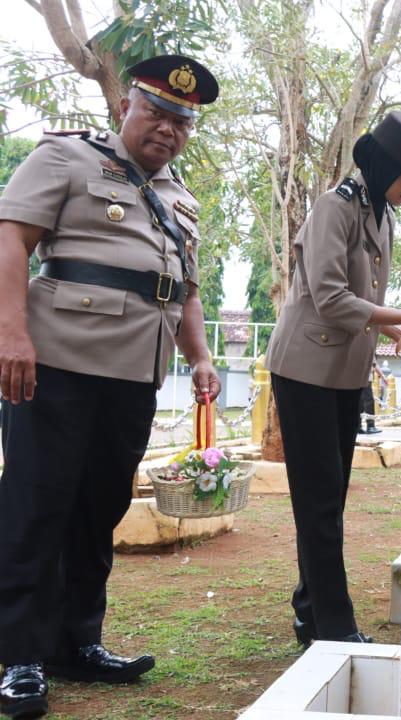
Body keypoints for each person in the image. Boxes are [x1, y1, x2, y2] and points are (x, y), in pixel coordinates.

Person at [0, 55, 222, 719]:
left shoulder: (180, 198)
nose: (168, 128)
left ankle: (78, 643)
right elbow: (12, 239)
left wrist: (202, 357)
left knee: (99, 510)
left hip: (134, 374)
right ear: (126, 105)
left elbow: (182, 290)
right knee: (37, 505)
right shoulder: (66, 159)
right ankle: (19, 656)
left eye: (182, 121)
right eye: (156, 110)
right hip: (55, 363)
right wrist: (11, 335)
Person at [266, 111, 401, 647]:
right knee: (319, 504)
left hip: (343, 374)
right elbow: (331, 297)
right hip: (304, 371)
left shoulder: (379, 212)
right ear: (386, 165)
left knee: (329, 498)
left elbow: (364, 304)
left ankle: (309, 610)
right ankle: (335, 629)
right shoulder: (334, 207)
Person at [359, 361, 387, 435]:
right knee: (369, 400)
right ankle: (370, 426)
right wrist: (382, 376)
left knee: (360, 401)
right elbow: (373, 361)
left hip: (357, 375)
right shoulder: (369, 349)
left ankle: (357, 426)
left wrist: (382, 375)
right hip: (365, 375)